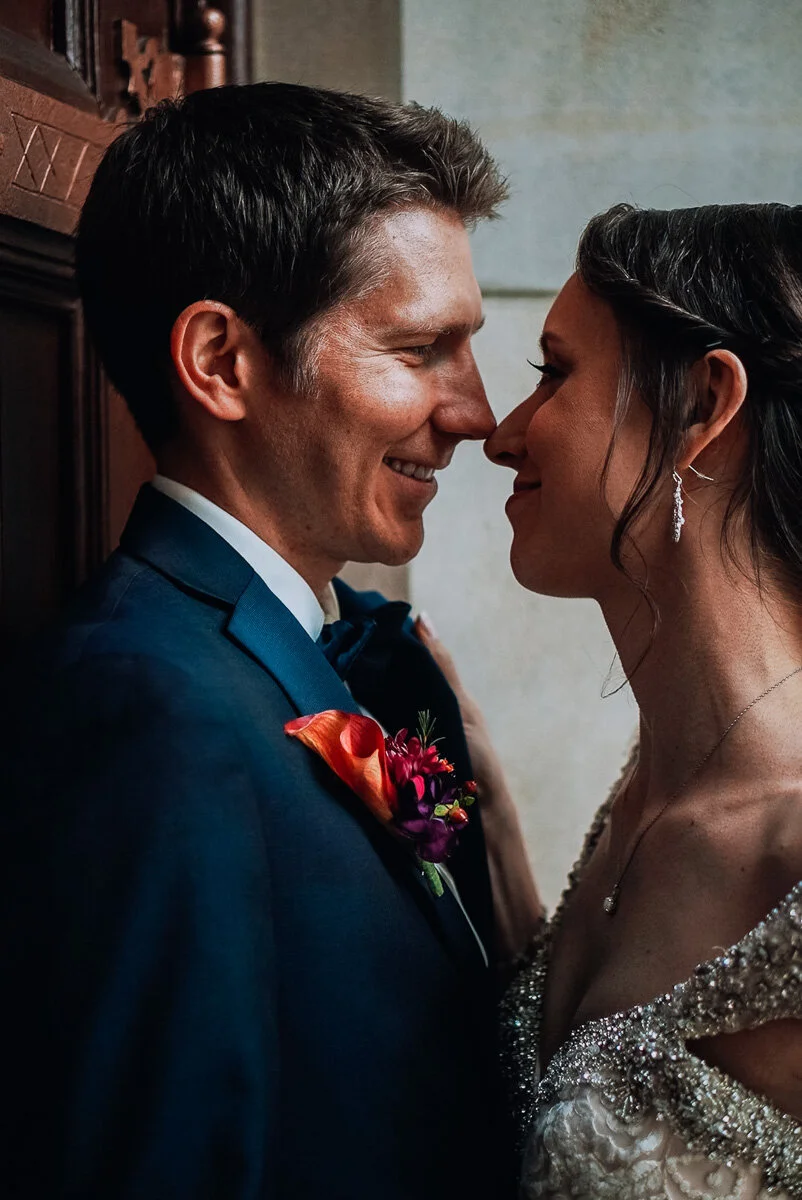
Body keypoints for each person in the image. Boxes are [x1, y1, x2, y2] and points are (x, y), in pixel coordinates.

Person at [0, 83, 515, 1200]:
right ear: (222, 361)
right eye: (420, 348)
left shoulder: (349, 654)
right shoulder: (145, 709)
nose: (475, 414)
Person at [420, 201, 802, 1198]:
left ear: (703, 406)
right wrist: (488, 826)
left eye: (554, 372)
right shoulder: (644, 795)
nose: (500, 435)